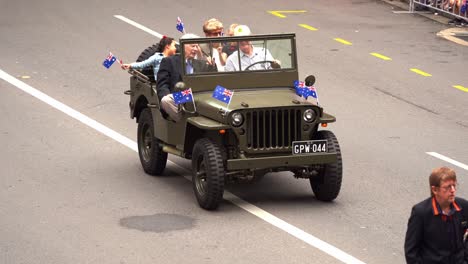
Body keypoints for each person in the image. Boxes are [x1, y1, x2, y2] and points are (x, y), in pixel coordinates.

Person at [404, 166, 468, 263]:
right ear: (435, 190)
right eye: (447, 187)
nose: (453, 190)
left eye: (454, 185)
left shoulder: (463, 206)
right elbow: (411, 251)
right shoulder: (420, 213)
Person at [156, 33, 216, 121]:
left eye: (197, 46)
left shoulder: (201, 64)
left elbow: (213, 82)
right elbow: (162, 84)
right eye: (193, 46)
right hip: (183, 96)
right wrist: (168, 95)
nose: (195, 49)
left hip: (200, 95)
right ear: (183, 46)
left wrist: (213, 66)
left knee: (227, 95)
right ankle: (184, 121)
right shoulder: (169, 61)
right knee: (166, 100)